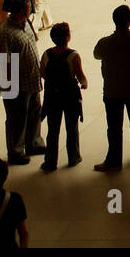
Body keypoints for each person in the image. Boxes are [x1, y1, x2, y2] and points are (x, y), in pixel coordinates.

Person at [92, 5, 130, 171]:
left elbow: (96, 55)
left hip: (112, 90)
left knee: (114, 127)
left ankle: (114, 159)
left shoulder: (105, 43)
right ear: (129, 20)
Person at [0, 5, 44, 164]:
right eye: (28, 8)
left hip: (31, 79)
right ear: (21, 11)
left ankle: (34, 143)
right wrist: (10, 87)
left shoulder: (27, 23)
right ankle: (15, 152)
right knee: (17, 118)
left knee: (34, 112)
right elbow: (5, 61)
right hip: (15, 83)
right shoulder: (5, 32)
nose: (30, 10)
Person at [40, 23, 87, 171]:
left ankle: (50, 161)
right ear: (68, 37)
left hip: (52, 96)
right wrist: (84, 84)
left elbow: (42, 74)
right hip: (70, 96)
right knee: (71, 128)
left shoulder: (46, 54)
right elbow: (80, 75)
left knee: (52, 130)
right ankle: (73, 157)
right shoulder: (73, 55)